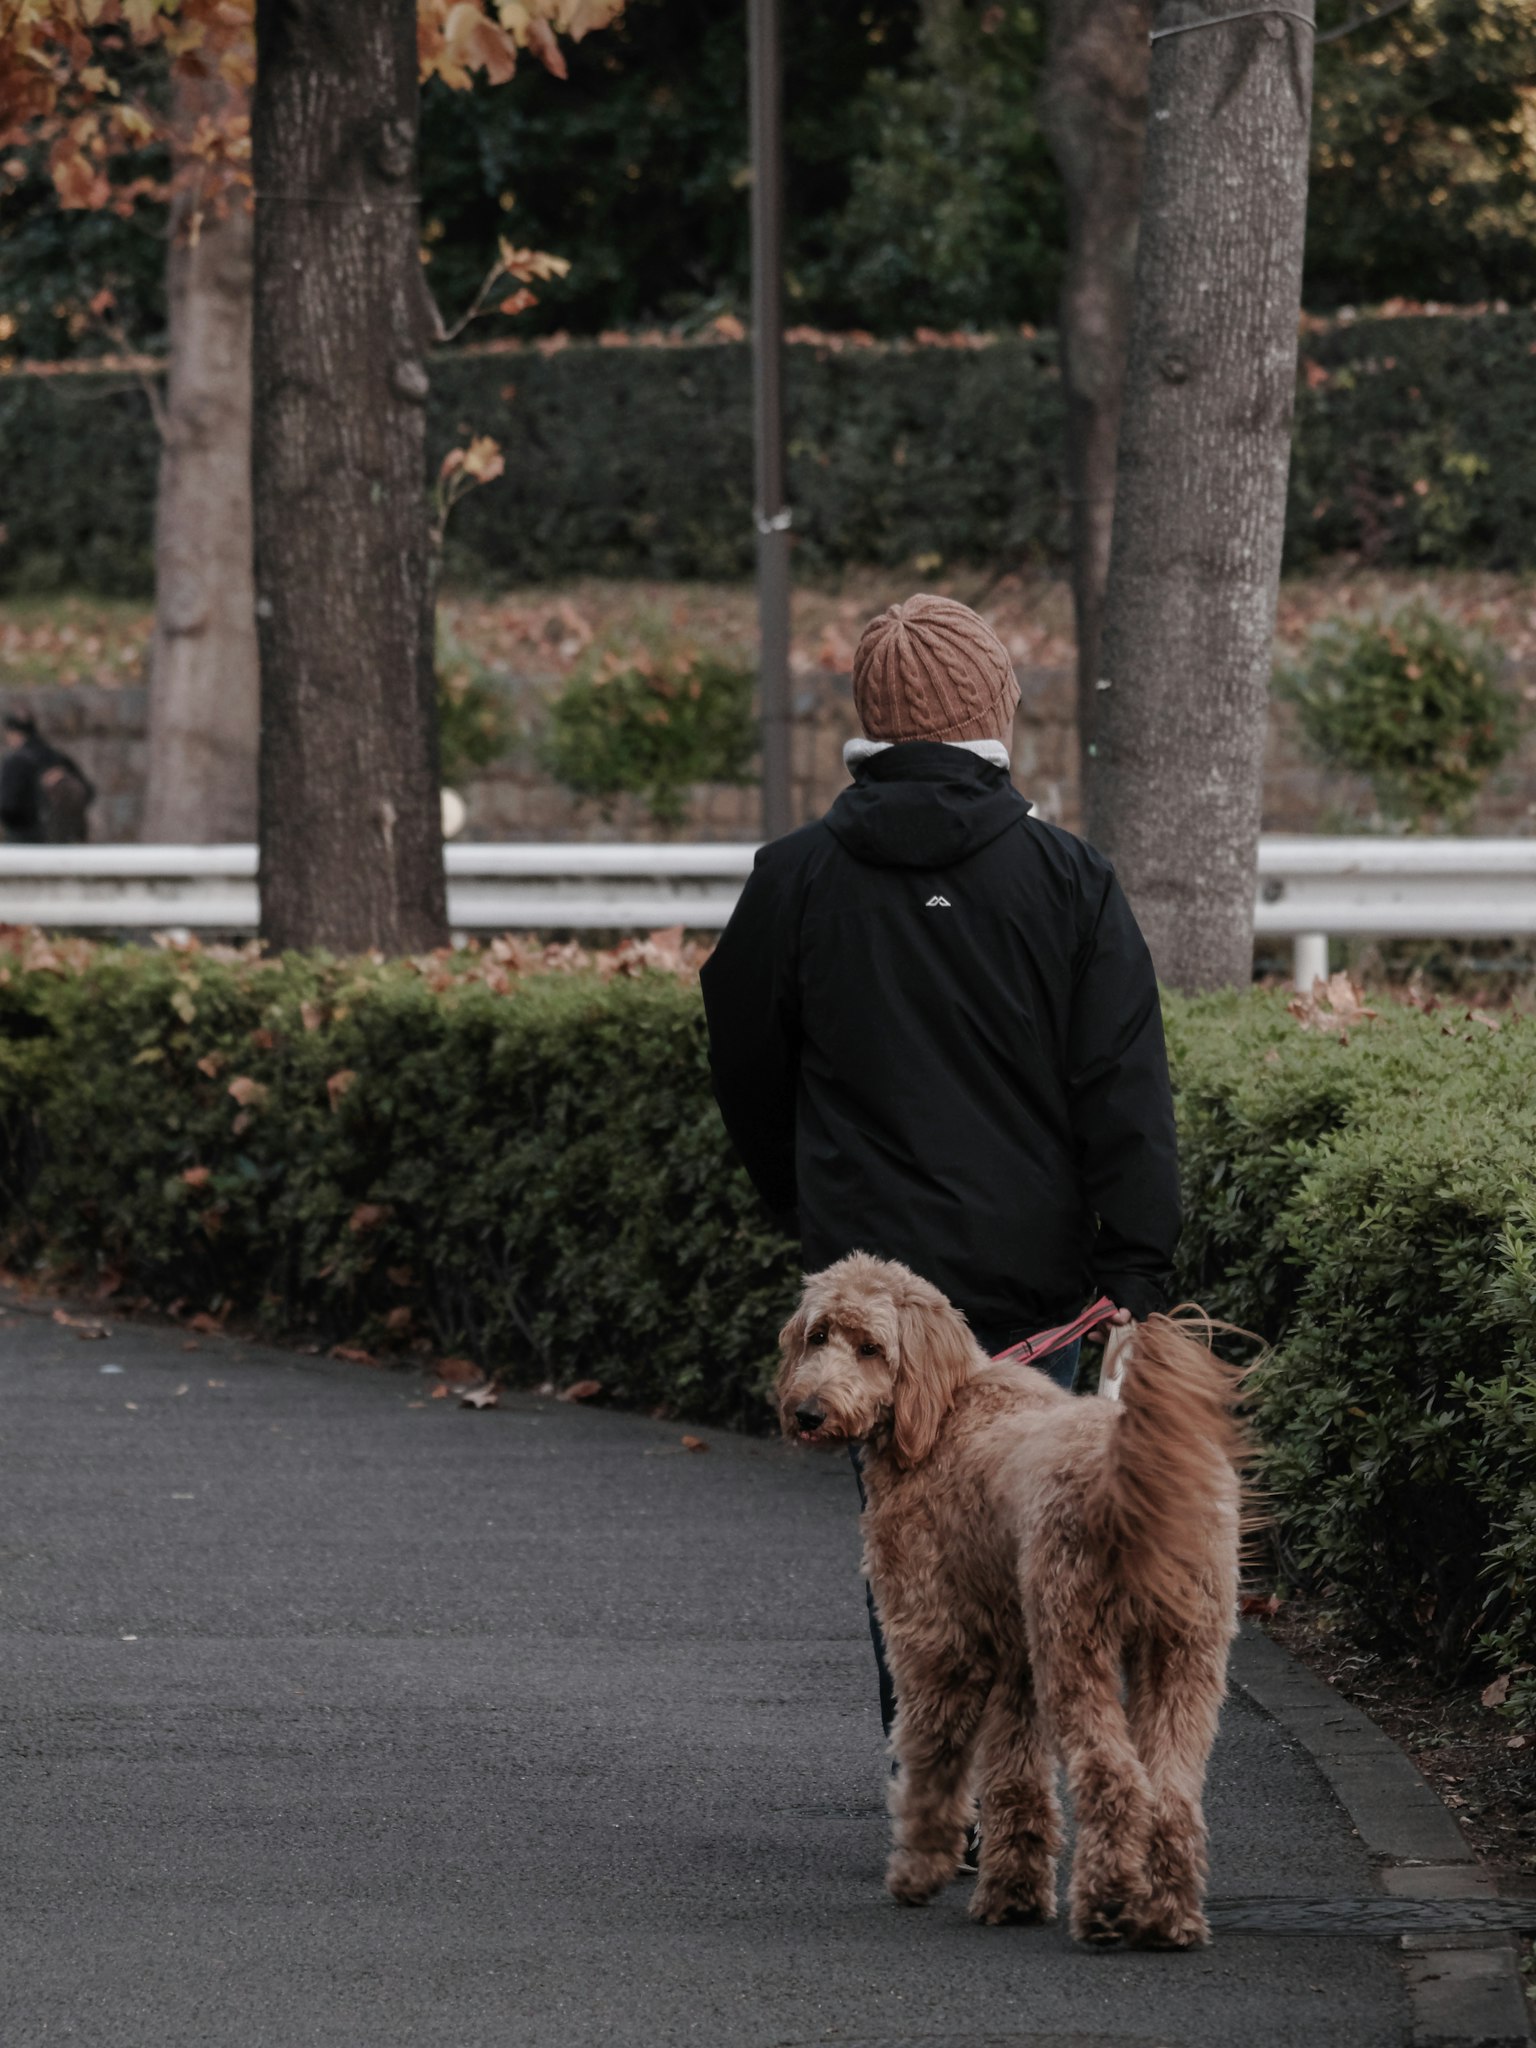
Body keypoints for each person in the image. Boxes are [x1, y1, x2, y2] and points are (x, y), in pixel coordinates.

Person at [700, 593, 1181, 1739]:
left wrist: (801, 1199)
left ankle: (935, 1776)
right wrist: (1139, 1263)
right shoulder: (1068, 879)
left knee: (907, 1533)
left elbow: (745, 1058)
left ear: (871, 718)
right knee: (1036, 1531)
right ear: (994, 707)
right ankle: (1033, 1780)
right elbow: (1123, 1086)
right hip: (1039, 1282)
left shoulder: (796, 876)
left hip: (877, 1290)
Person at [0, 710, 95, 844]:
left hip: (24, 839)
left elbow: (8, 806)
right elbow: (88, 791)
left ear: (12, 733)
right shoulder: (57, 757)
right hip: (64, 839)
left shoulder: (14, 762)